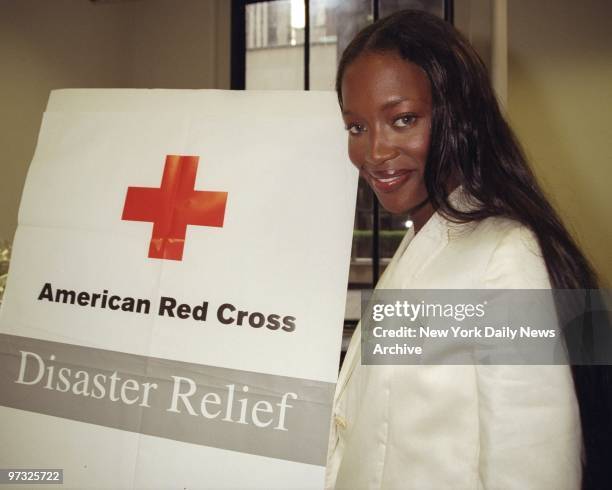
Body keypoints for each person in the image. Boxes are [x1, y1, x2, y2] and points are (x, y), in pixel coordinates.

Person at [325, 9, 610, 490]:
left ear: (460, 117)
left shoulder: (506, 256)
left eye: (403, 119)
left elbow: (533, 469)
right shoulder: (424, 241)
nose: (374, 152)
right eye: (357, 127)